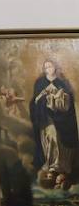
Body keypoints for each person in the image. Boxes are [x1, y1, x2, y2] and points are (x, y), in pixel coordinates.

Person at [31, 59, 77, 190]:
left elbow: (69, 103)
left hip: (63, 119)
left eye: (50, 66)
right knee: (50, 139)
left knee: (59, 141)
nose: (48, 69)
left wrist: (59, 96)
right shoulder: (40, 83)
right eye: (45, 67)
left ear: (55, 67)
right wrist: (43, 97)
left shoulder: (63, 83)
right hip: (46, 118)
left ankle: (60, 167)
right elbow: (34, 101)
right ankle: (51, 165)